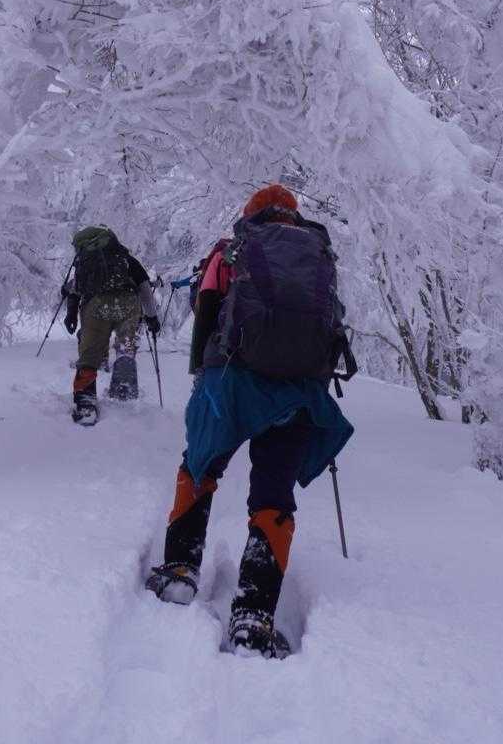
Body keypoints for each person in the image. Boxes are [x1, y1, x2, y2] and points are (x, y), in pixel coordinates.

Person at [145, 184, 355, 658]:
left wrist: (203, 374)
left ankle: (180, 570)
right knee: (273, 494)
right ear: (293, 216)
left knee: (201, 464)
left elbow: (206, 311)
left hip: (234, 382)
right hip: (299, 392)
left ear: (250, 214)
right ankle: (253, 617)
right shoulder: (319, 255)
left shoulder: (231, 250)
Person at [63, 226, 159, 426]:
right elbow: (144, 288)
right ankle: (124, 389)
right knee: (125, 345)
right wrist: (152, 317)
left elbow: (75, 289)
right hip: (128, 304)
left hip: (96, 306)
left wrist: (71, 314)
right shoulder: (125, 259)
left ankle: (86, 403)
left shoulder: (86, 262)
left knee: (90, 354)